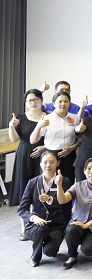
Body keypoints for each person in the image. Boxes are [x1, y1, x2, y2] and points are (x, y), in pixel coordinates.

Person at [56, 157, 92, 270]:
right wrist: (59, 185)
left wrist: (87, 225)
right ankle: (72, 256)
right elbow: (62, 200)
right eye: (89, 169)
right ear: (84, 171)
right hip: (79, 223)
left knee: (87, 250)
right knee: (71, 230)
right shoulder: (77, 185)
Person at [17, 150, 72, 266]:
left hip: (56, 226)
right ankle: (35, 257)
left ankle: (46, 242)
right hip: (35, 226)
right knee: (41, 230)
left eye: (52, 162)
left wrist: (50, 199)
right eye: (45, 162)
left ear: (57, 163)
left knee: (50, 251)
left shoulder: (64, 181)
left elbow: (65, 205)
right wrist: (33, 218)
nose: (48, 165)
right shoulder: (33, 183)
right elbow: (22, 209)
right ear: (40, 164)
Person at [9, 89, 47, 240]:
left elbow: (53, 138)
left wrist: (43, 148)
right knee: (24, 189)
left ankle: (41, 224)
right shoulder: (20, 118)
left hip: (43, 157)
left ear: (41, 100)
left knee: (41, 189)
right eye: (30, 100)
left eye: (36, 99)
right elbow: (14, 139)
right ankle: (24, 228)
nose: (33, 102)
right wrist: (11, 126)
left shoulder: (48, 117)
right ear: (26, 103)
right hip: (24, 155)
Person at [31, 90, 84, 181]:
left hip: (69, 154)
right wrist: (39, 126)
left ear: (69, 103)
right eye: (60, 101)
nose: (63, 104)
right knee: (49, 182)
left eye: (66, 101)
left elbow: (81, 138)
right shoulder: (46, 118)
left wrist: (72, 148)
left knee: (68, 181)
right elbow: (33, 140)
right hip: (50, 155)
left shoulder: (75, 118)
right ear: (54, 104)